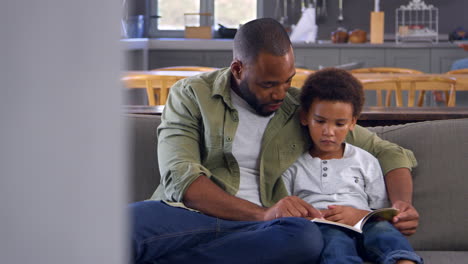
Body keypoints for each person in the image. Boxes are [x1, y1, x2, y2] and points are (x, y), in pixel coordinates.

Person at [129, 18, 419, 263]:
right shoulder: (192, 95)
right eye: (268, 84)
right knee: (121, 225)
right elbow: (182, 178)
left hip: (268, 233)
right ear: (238, 69)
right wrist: (263, 213)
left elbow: (389, 152)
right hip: (192, 216)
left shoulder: (302, 108)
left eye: (288, 81)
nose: (280, 93)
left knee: (305, 239)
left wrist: (401, 204)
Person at [282, 68, 423, 264]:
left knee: (384, 232)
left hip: (364, 222)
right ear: (305, 117)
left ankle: (404, 261)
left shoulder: (365, 160)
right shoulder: (293, 166)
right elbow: (288, 212)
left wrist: (358, 215)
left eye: (339, 124)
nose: (328, 132)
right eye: (320, 121)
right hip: (323, 226)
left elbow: (379, 212)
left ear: (352, 123)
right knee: (335, 242)